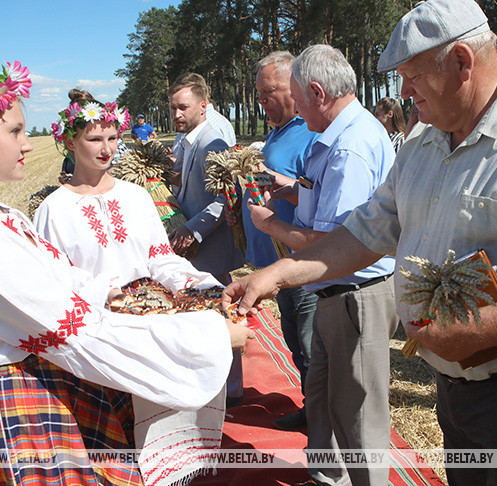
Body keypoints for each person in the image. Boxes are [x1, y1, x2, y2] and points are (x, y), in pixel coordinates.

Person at [225, 2, 497, 485]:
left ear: (461, 62)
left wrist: (476, 328)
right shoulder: (426, 141)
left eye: (411, 76)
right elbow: (366, 232)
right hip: (456, 384)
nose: (402, 92)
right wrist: (277, 274)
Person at [0, 49, 251, 485]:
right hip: (18, 398)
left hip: (54, 371)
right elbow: (78, 331)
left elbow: (69, 280)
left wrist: (143, 296)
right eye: (15, 131)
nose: (28, 144)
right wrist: (210, 336)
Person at [35, 88, 241, 483]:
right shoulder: (53, 209)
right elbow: (55, 280)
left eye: (113, 138)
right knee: (110, 444)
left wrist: (198, 283)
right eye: (95, 139)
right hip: (95, 335)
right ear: (69, 141)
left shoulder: (135, 196)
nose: (106, 148)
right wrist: (104, 296)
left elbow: (160, 257)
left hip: (147, 319)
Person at [245, 44, 398, 486]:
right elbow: (326, 204)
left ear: (316, 92)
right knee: (325, 402)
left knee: (359, 415)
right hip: (334, 294)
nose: (293, 108)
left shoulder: (349, 147)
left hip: (354, 296)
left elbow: (336, 243)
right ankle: (327, 478)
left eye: (294, 96)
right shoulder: (335, 136)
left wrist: (272, 224)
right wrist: (291, 190)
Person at [243, 51, 320, 431]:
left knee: (310, 346)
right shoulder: (278, 131)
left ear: (293, 87)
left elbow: (318, 194)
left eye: (267, 93)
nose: (261, 102)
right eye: (258, 94)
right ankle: (313, 410)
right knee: (296, 341)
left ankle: (321, 420)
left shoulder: (311, 133)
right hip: (279, 262)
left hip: (301, 261)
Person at [167, 72, 246, 405]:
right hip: (200, 248)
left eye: (183, 107)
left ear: (203, 106)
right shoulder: (191, 140)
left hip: (210, 247)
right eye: (173, 108)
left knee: (221, 312)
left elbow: (222, 199)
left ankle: (231, 389)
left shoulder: (212, 140)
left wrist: (191, 229)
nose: (176, 115)